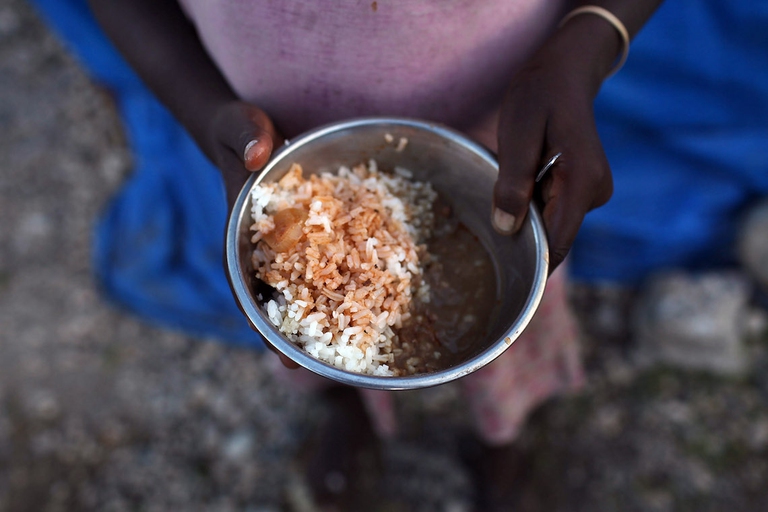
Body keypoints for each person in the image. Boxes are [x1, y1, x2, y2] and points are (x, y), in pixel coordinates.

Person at [38, 0, 663, 509]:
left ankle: (503, 435)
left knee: (506, 338)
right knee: (307, 336)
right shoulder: (289, 211)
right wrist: (204, 114)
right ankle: (348, 410)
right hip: (276, 165)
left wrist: (589, 38)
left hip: (505, 134)